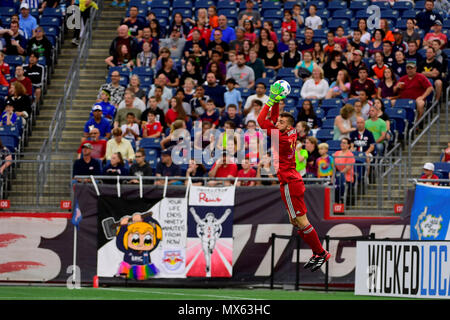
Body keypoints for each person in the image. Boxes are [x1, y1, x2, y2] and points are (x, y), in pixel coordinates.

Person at [257, 81, 330, 271]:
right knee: (295, 220)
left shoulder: (280, 137)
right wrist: (278, 104)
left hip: (289, 182)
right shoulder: (290, 132)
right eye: (279, 121)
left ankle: (321, 253)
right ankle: (318, 251)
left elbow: (261, 120)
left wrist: (271, 99)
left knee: (301, 221)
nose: (277, 123)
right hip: (294, 180)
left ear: (287, 125)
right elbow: (274, 119)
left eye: (281, 122)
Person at [189, 207, 232, 276]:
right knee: (206, 253)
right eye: (209, 217)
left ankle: (211, 248)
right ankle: (208, 265)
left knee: (212, 242)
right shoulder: (203, 224)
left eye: (211, 217)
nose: (210, 218)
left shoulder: (215, 224)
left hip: (212, 238)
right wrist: (193, 212)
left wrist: (226, 213)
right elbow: (197, 219)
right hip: (205, 239)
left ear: (213, 218)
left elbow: (222, 219)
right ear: (206, 218)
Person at [333, 138, 355, 203]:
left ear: (348, 145)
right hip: (337, 176)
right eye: (341, 142)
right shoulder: (337, 153)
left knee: (340, 183)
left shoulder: (350, 155)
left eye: (344, 143)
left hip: (346, 177)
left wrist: (339, 174)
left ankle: (340, 202)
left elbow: (347, 168)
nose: (342, 144)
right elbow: (334, 165)